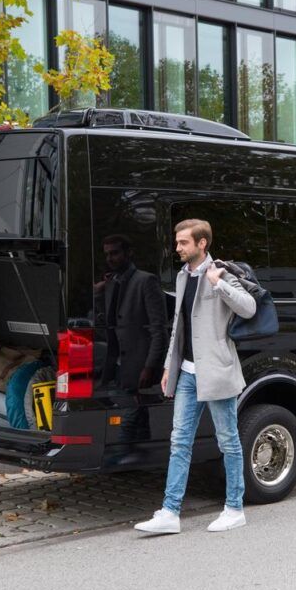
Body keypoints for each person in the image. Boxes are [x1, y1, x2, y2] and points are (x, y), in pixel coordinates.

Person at [134, 219, 256, 534]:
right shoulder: (182, 276)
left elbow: (249, 308)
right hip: (187, 374)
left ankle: (234, 508)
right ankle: (170, 512)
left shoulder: (222, 272)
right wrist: (168, 367)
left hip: (216, 371)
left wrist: (219, 284)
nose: (178, 247)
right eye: (177, 242)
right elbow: (179, 326)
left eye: (183, 242)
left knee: (228, 441)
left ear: (202, 243)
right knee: (179, 442)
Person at [93, 234, 167, 464]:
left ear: (128, 253)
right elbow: (104, 322)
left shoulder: (146, 281)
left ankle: (121, 453)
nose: (110, 258)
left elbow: (159, 329)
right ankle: (141, 454)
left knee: (131, 408)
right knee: (136, 409)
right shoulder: (111, 283)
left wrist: (150, 366)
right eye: (107, 254)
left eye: (115, 253)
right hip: (116, 362)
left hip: (139, 362)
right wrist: (99, 294)